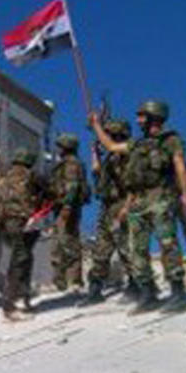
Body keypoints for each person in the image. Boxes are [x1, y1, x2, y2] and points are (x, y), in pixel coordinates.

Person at [90, 100, 186, 313]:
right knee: (136, 249)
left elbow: (180, 166)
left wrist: (184, 194)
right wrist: (96, 125)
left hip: (160, 197)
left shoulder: (171, 140)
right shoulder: (137, 144)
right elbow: (110, 146)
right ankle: (148, 294)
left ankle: (178, 291)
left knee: (168, 244)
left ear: (154, 117)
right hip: (138, 201)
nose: (138, 120)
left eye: (142, 116)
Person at [0, 147, 46, 322]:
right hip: (23, 221)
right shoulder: (30, 176)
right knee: (21, 258)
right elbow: (50, 190)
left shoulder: (4, 179)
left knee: (22, 257)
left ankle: (22, 298)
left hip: (7, 223)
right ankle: (12, 304)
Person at [81, 119, 134, 306]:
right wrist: (95, 153)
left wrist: (127, 208)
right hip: (107, 207)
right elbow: (98, 175)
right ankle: (95, 288)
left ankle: (137, 284)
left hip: (122, 204)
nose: (107, 138)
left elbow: (133, 186)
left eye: (110, 135)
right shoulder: (110, 159)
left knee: (126, 247)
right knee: (101, 250)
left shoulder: (128, 155)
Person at [48, 133, 90, 294]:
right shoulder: (63, 164)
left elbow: (73, 186)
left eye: (60, 146)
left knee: (69, 243)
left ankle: (75, 281)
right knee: (57, 244)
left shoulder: (72, 164)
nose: (58, 149)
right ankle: (59, 281)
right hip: (60, 208)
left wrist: (67, 206)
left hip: (68, 208)